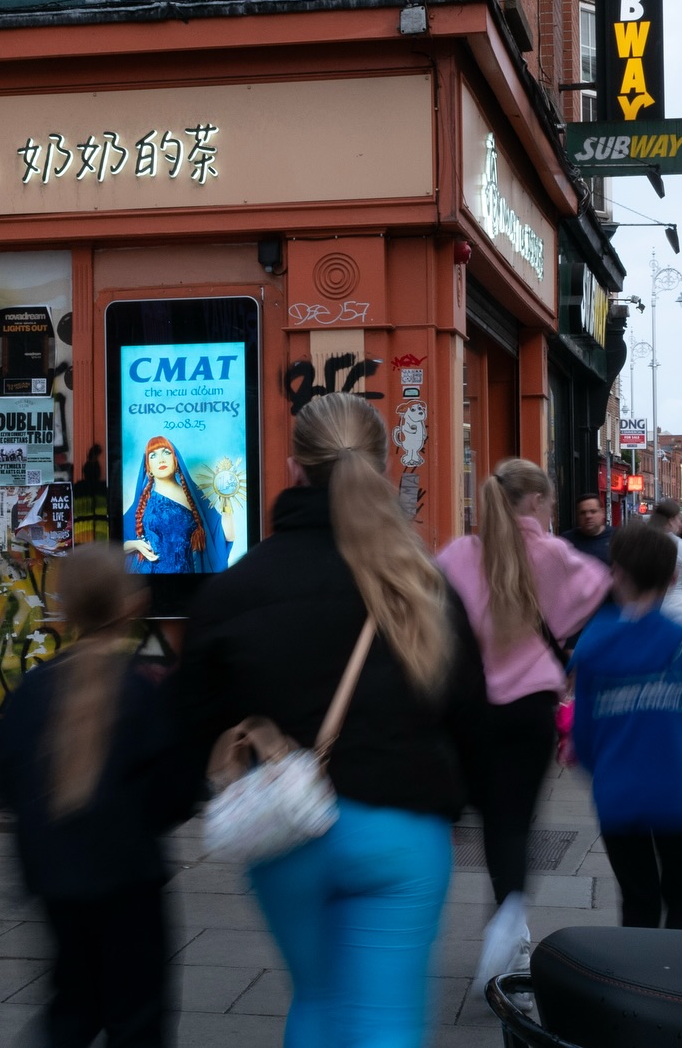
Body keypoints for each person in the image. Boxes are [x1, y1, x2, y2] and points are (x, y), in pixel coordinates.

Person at [177, 392, 487, 1047]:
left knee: (316, 1003)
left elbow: (193, 719)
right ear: (380, 463)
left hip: (285, 828)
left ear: (293, 467)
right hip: (404, 833)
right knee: (385, 1021)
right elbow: (471, 716)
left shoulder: (232, 591)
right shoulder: (423, 587)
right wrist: (464, 806)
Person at [0, 543, 187, 1048]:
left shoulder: (30, 694)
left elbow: (4, 783)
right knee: (137, 1018)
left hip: (56, 886)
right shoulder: (144, 692)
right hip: (130, 885)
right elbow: (177, 794)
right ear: (131, 603)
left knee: (71, 1012)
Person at [437, 459, 611, 995]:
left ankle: (506, 928)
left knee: (484, 820)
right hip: (530, 706)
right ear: (535, 502)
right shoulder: (554, 554)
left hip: (466, 708)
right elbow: (599, 585)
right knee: (514, 824)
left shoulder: (458, 554)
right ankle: (507, 924)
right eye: (551, 502)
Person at [571, 521, 682, 930]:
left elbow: (583, 734)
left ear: (615, 574)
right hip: (673, 790)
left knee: (637, 900)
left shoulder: (593, 644)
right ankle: (677, 985)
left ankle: (637, 983)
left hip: (617, 794)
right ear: (671, 578)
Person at [124, 436, 233, 574]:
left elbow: (225, 537)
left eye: (166, 452)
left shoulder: (195, 497)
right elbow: (116, 543)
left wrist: (227, 498)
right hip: (150, 578)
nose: (161, 459)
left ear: (176, 460)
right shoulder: (143, 502)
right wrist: (136, 545)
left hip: (187, 579)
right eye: (153, 455)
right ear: (148, 467)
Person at [646, 500, 682, 629]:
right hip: (676, 607)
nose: (680, 524)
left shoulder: (642, 543)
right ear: (671, 520)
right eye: (678, 519)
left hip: (646, 609)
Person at [562, 492, 613, 566]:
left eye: (593, 511)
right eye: (583, 513)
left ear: (602, 513)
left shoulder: (616, 538)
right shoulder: (566, 541)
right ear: (577, 516)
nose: (588, 516)